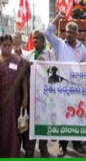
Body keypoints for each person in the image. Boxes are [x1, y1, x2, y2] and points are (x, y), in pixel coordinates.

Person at [45, 11, 86, 157]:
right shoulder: (59, 44)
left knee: (77, 116)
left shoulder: (82, 49)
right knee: (63, 116)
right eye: (67, 32)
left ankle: (77, 144)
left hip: (77, 88)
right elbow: (47, 32)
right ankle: (62, 145)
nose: (68, 35)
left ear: (77, 34)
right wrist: (58, 17)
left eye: (72, 32)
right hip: (62, 88)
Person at [0, 35, 29, 158]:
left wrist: (25, 97)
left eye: (9, 45)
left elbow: (24, 81)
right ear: (0, 45)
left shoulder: (19, 60)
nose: (7, 47)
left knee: (14, 132)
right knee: (0, 132)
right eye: (4, 45)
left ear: (12, 45)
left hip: (15, 103)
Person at [23, 29, 55, 158]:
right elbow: (23, 74)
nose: (35, 40)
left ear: (44, 40)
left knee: (44, 121)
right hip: (32, 95)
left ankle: (43, 147)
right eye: (34, 38)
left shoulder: (50, 55)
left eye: (38, 38)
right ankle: (30, 150)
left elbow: (56, 73)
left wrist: (45, 65)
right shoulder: (28, 55)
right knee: (31, 122)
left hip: (46, 96)